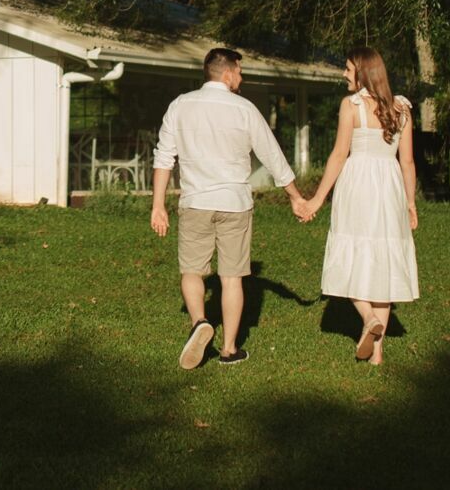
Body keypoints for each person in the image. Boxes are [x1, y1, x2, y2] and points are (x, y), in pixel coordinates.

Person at [150, 47, 310, 368]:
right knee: (232, 277)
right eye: (239, 71)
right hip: (234, 203)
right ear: (226, 74)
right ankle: (229, 349)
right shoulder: (244, 109)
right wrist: (295, 195)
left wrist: (158, 205)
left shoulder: (180, 106)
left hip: (195, 202)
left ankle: (199, 322)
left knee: (192, 271)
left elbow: (164, 157)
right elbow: (272, 154)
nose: (242, 77)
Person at [294, 46, 419, 365]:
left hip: (358, 185)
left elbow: (338, 155)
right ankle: (377, 354)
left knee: (351, 255)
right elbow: (407, 162)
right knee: (385, 262)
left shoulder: (351, 105)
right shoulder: (402, 108)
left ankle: (368, 318)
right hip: (389, 187)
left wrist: (316, 200)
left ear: (363, 72)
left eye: (348, 69)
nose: (344, 74)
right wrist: (410, 202)